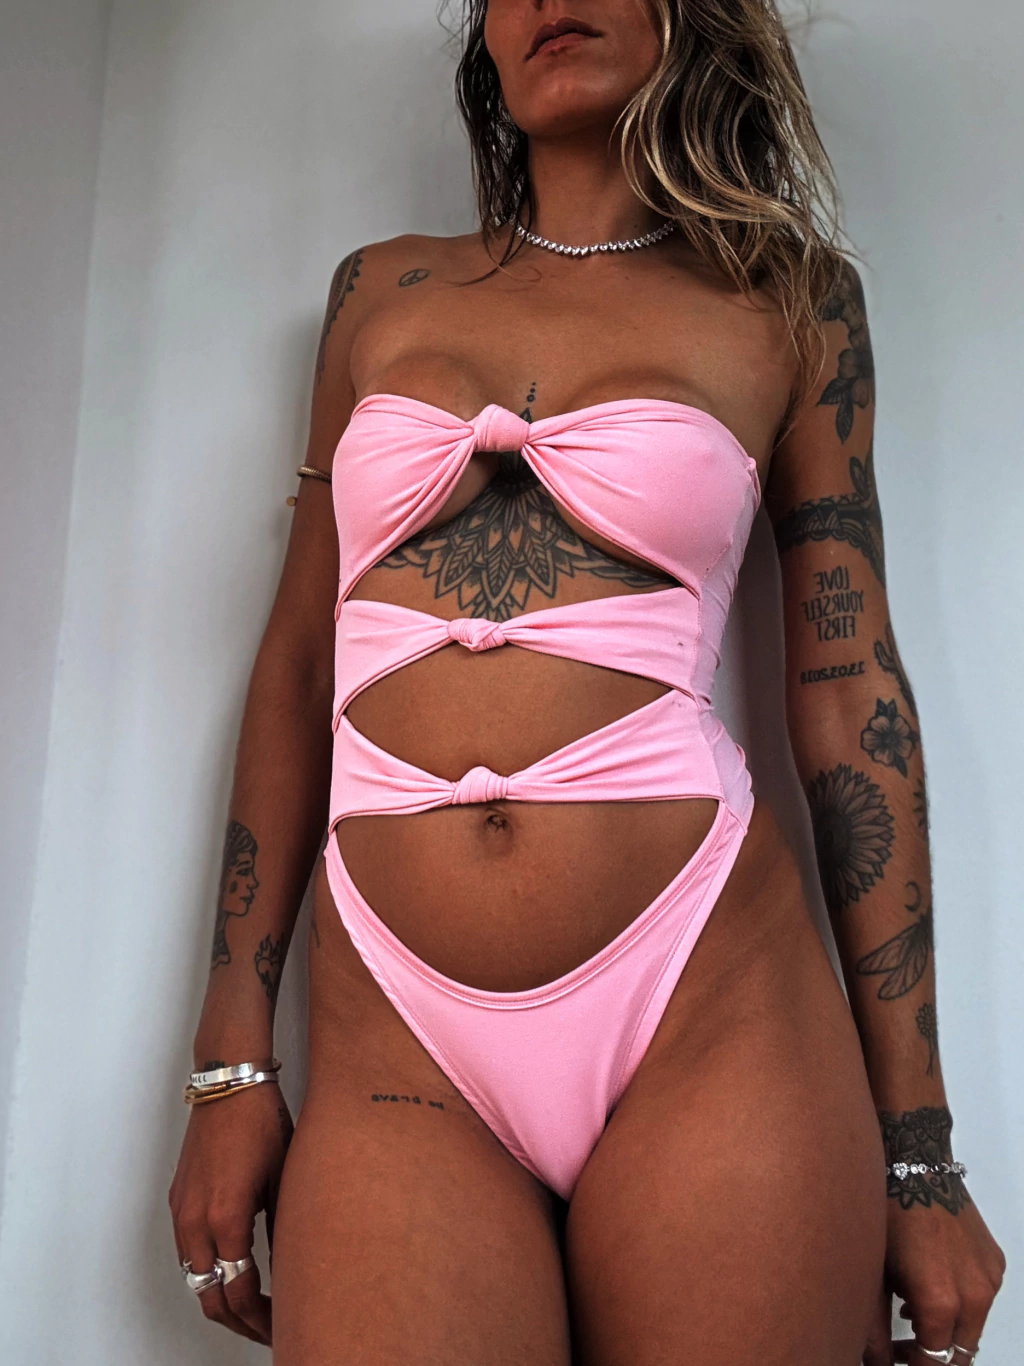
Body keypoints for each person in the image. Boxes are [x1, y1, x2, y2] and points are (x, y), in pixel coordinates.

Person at [168, 2, 1005, 1362]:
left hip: (710, 1001)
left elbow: (850, 688)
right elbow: (298, 658)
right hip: (397, 1042)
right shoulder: (379, 291)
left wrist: (921, 1155)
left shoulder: (788, 299)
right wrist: (228, 1063)